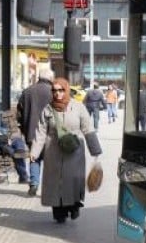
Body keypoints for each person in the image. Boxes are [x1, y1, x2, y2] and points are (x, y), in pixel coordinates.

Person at [30, 75, 101, 223]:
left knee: (73, 181)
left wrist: (95, 150)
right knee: (56, 183)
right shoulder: (48, 109)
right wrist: (34, 152)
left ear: (66, 90)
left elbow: (88, 128)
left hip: (74, 152)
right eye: (55, 90)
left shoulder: (78, 107)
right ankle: (59, 213)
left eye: (61, 90)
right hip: (53, 152)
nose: (58, 93)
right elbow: (41, 131)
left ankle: (74, 207)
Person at [15, 66, 54, 196]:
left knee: (34, 158)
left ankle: (34, 183)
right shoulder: (54, 92)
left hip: (31, 132)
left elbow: (19, 113)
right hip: (49, 134)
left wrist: (23, 129)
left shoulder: (27, 91)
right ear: (49, 78)